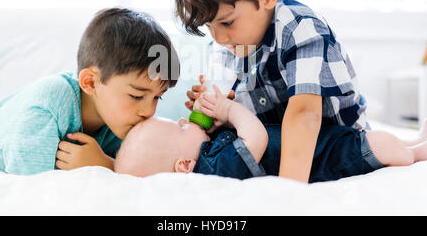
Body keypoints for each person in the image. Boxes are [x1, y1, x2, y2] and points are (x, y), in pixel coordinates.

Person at [175, 0, 371, 183]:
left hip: (341, 146)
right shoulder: (225, 48)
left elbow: (304, 115)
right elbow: (246, 124)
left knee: (385, 148)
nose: (218, 38)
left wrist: (286, 193)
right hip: (278, 149)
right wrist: (218, 113)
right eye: (209, 26)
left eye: (227, 22)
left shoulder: (299, 28)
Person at [0, 8, 180, 175]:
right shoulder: (45, 111)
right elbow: (32, 190)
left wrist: (106, 165)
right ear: (90, 83)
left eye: (157, 97)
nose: (149, 111)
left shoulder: (119, 121)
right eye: (137, 96)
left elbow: (147, 171)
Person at [114, 84, 427, 182]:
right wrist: (229, 112)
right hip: (327, 158)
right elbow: (256, 138)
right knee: (383, 146)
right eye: (181, 127)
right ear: (183, 165)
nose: (186, 121)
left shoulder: (209, 155)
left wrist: (217, 120)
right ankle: (416, 153)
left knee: (390, 141)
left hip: (317, 143)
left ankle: (416, 142)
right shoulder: (214, 168)